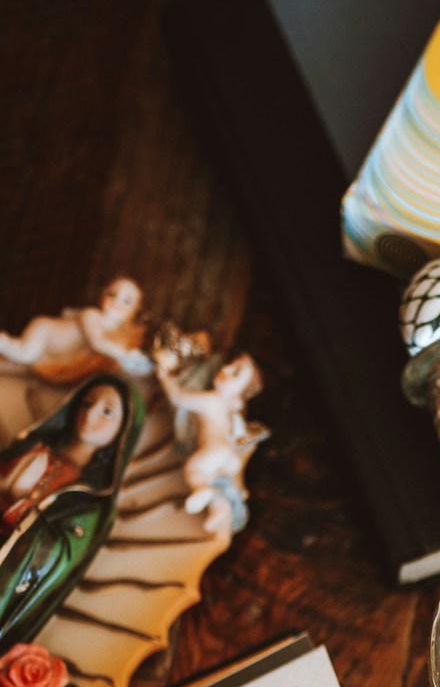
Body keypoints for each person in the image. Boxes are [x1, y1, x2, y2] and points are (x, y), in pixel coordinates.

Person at [0, 377, 143, 652]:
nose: (90, 414)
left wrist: (33, 523)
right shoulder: (34, 447)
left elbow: (63, 555)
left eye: (107, 411)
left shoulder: (93, 499)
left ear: (121, 432)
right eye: (87, 403)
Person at [155, 350, 265, 534]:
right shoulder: (233, 407)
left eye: (235, 373)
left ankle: (202, 490)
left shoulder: (212, 400)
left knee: (194, 470)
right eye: (231, 363)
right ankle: (221, 509)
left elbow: (179, 397)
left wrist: (164, 376)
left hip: (215, 451)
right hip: (230, 456)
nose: (226, 368)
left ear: (239, 394)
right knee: (216, 479)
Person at [0, 277, 154, 384]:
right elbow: (96, 342)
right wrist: (126, 355)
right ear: (102, 298)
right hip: (45, 332)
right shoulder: (91, 315)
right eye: (112, 294)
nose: (116, 302)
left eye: (126, 301)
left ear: (134, 312)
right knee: (24, 353)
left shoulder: (118, 335)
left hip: (56, 352)